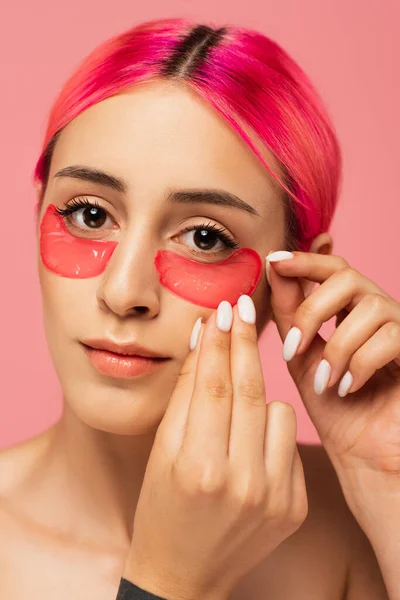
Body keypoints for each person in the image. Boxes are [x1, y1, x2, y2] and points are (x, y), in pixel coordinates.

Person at [0, 16, 398, 599]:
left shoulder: (359, 528)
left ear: (296, 277)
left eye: (205, 238)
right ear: (38, 211)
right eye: (89, 214)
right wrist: (168, 585)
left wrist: (388, 483)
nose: (124, 291)